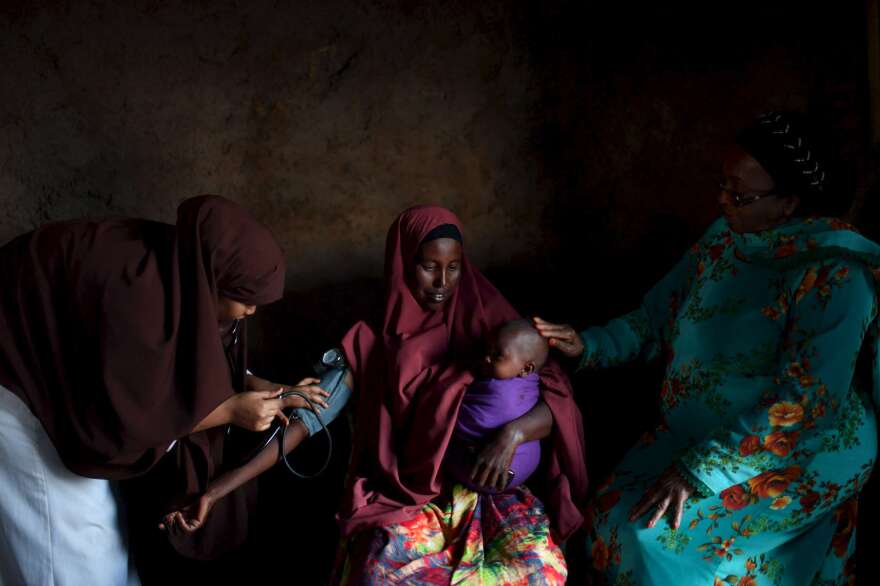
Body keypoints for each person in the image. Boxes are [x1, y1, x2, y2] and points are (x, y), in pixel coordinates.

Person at [535, 112, 879, 584]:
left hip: (795, 448)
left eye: (739, 194)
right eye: (722, 185)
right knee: (608, 521)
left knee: (657, 546)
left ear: (789, 204)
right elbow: (655, 318)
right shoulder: (724, 240)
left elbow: (805, 404)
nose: (722, 201)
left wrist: (703, 470)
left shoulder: (836, 273)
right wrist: (588, 345)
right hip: (694, 433)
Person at [0, 195, 327, 585]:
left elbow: (199, 360)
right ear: (214, 279)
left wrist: (266, 387)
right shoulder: (138, 298)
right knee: (65, 533)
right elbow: (124, 414)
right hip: (17, 380)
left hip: (55, 367)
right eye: (245, 299)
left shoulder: (186, 272)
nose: (252, 312)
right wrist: (231, 411)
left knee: (100, 528)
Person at [333, 205, 588, 585]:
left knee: (538, 572)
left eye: (453, 267)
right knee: (381, 572)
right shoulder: (373, 337)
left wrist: (514, 433)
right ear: (403, 262)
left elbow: (553, 393)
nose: (442, 282)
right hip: (417, 489)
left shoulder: (488, 314)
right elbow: (322, 401)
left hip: (499, 484)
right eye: (427, 266)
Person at [444, 318, 549, 493]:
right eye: (487, 350)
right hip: (528, 464)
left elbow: (459, 423)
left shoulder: (497, 393)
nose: (486, 358)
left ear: (526, 369)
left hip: (490, 474)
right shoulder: (531, 378)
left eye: (497, 355)